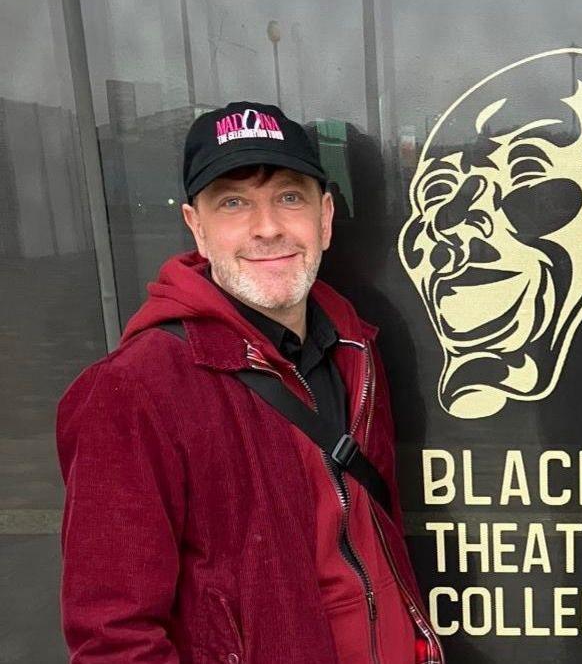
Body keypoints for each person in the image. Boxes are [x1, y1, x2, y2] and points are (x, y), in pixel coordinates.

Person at [57, 101, 442, 663]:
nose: (267, 227)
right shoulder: (135, 390)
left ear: (325, 217)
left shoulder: (357, 348)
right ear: (197, 227)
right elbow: (113, 637)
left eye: (289, 197)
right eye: (233, 202)